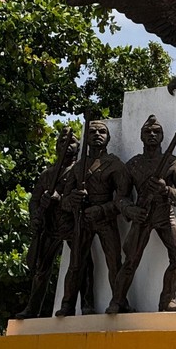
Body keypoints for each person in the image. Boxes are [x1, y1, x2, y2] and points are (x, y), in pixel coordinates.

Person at [107, 115, 176, 313]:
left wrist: (167, 190)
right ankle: (117, 301)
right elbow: (120, 197)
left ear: (162, 136)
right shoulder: (133, 165)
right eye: (148, 132)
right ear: (141, 137)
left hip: (165, 215)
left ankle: (168, 300)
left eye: (157, 132)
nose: (152, 134)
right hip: (142, 218)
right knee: (130, 261)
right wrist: (131, 210)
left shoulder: (172, 163)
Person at [57, 120, 131, 316]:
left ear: (108, 138)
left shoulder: (115, 165)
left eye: (102, 131)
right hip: (82, 219)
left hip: (105, 218)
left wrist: (102, 210)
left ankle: (119, 300)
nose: (97, 135)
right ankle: (67, 304)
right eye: (92, 132)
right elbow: (64, 201)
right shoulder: (78, 167)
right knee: (75, 264)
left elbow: (124, 200)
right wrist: (73, 199)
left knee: (114, 261)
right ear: (86, 138)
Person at [17, 129, 80, 319]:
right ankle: (32, 308)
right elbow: (34, 200)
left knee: (80, 265)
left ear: (77, 147)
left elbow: (81, 198)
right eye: (61, 142)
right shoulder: (47, 174)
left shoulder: (79, 171)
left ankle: (79, 304)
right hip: (50, 226)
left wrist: (58, 198)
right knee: (41, 269)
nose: (66, 146)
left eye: (71, 142)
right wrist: (36, 215)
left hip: (71, 224)